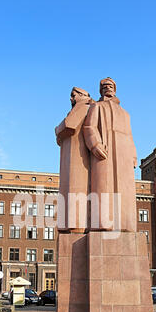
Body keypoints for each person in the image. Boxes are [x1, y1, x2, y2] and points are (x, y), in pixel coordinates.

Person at [83, 77, 138, 232]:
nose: (108, 88)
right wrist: (95, 144)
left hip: (124, 154)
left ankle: (126, 225)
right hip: (104, 152)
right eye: (105, 86)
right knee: (103, 187)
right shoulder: (97, 107)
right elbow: (89, 127)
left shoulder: (125, 114)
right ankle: (103, 224)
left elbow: (130, 135)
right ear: (101, 90)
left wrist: (133, 155)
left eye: (111, 85)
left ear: (115, 88)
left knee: (125, 191)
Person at [55, 87, 93, 232]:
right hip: (70, 155)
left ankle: (76, 224)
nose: (71, 98)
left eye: (73, 95)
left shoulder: (83, 106)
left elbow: (68, 125)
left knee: (75, 189)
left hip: (77, 156)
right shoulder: (77, 108)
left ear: (82, 95)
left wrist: (57, 129)